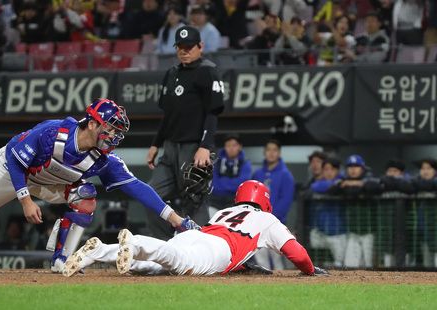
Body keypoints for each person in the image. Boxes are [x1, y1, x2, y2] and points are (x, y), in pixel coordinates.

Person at [0, 98, 200, 273]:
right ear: (92, 123)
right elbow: (16, 159)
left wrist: (175, 219)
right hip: (13, 170)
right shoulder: (53, 132)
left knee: (87, 195)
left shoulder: (105, 159)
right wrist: (25, 200)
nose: (114, 136)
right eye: (110, 129)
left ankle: (59, 259)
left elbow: (140, 189)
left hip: (50, 182)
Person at [61, 180, 328, 277]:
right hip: (217, 250)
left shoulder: (226, 211)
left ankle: (98, 251)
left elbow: (235, 238)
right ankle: (136, 243)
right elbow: (297, 254)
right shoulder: (268, 220)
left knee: (155, 267)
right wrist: (310, 270)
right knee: (177, 263)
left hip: (197, 235)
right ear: (264, 202)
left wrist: (245, 265)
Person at [145, 25, 225, 240]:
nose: (184, 51)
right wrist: (156, 143)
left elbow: (212, 113)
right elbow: (168, 115)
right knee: (151, 196)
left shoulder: (208, 71)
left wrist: (205, 146)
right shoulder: (171, 73)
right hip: (170, 147)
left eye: (189, 46)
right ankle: (166, 248)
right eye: (180, 47)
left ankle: (199, 254)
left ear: (201, 46)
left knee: (195, 197)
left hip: (193, 147)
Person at [251, 139, 295, 270]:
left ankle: (282, 288)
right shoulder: (257, 173)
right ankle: (261, 288)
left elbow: (285, 201)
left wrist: (270, 219)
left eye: (274, 150)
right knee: (260, 258)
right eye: (269, 149)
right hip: (258, 224)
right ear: (264, 152)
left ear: (279, 153)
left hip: (277, 223)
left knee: (277, 259)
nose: (271, 153)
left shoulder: (286, 175)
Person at [308, 157, 347, 267]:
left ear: (337, 170)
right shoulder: (320, 183)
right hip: (321, 232)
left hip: (339, 233)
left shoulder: (344, 181)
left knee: (341, 265)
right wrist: (336, 185)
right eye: (326, 169)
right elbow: (315, 186)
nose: (329, 172)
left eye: (332, 169)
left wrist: (339, 185)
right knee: (321, 263)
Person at [209, 134, 252, 214]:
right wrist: (231, 183)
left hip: (235, 203)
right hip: (214, 202)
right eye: (228, 145)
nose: (231, 148)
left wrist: (222, 182)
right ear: (224, 147)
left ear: (240, 147)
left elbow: (242, 184)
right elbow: (213, 184)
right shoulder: (216, 161)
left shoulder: (245, 163)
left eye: (234, 145)